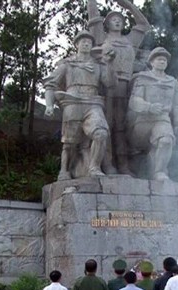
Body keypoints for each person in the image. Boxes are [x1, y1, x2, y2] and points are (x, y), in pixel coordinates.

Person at [44, 30, 117, 179]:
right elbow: (50, 84)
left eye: (89, 42)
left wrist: (109, 63)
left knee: (101, 133)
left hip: (93, 103)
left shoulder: (98, 65)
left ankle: (94, 168)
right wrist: (49, 105)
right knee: (70, 142)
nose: (86, 44)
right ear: (76, 44)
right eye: (83, 41)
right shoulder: (67, 64)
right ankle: (64, 170)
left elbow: (110, 83)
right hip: (72, 102)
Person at [88, 0, 150, 175]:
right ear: (106, 23)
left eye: (120, 19)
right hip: (106, 85)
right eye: (113, 19)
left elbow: (144, 24)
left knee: (123, 126)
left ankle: (124, 164)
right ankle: (107, 163)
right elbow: (93, 15)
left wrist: (129, 6)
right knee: (107, 124)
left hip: (128, 87)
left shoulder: (130, 40)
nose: (117, 21)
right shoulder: (101, 37)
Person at [127, 47, 178, 180]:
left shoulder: (172, 82)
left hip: (162, 119)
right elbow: (134, 100)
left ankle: (159, 172)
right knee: (136, 149)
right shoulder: (143, 78)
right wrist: (149, 107)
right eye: (159, 59)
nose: (162, 62)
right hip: (143, 121)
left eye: (164, 60)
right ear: (152, 62)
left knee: (166, 140)